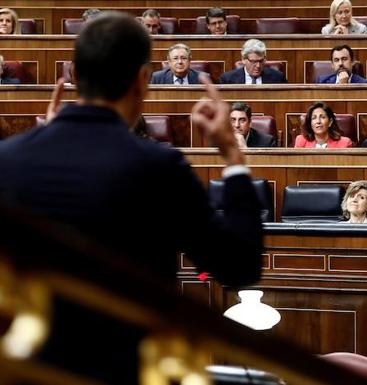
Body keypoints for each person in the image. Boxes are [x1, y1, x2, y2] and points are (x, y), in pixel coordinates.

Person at [0, 12, 262, 384]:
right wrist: (233, 161)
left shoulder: (7, 160)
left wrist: (44, 141)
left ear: (74, 75)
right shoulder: (159, 166)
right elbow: (239, 267)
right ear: (143, 80)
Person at [219, 39, 288, 84]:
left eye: (261, 61)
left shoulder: (278, 78)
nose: (258, 66)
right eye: (253, 62)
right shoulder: (227, 79)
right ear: (243, 59)